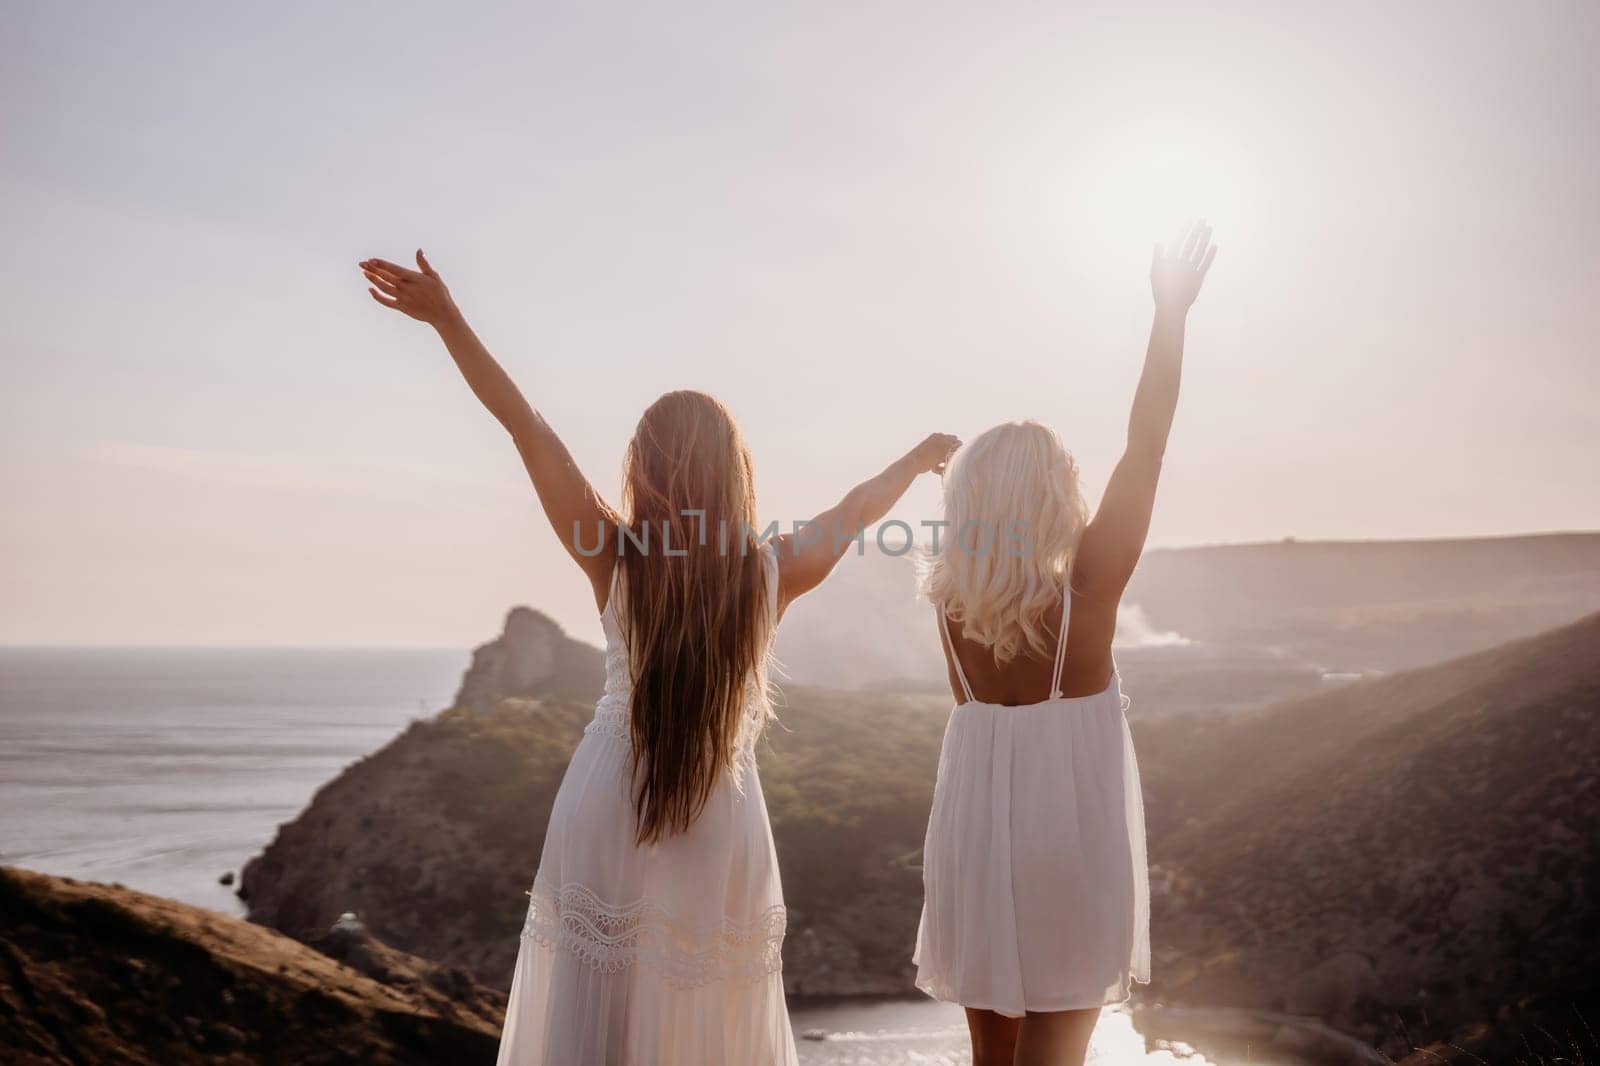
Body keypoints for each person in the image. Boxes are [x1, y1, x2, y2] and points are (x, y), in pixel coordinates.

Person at [359, 249, 959, 1066]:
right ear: (735, 472)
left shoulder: (609, 553)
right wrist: (919, 457)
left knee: (596, 1011)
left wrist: (450, 322)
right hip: (722, 808)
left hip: (609, 796)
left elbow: (527, 428)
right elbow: (856, 507)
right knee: (708, 1014)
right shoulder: (773, 569)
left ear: (640, 468)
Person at [913, 223, 1217, 1066]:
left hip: (974, 843)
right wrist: (1170, 315)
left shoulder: (949, 605)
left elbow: (984, 542)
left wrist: (969, 487)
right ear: (1058, 495)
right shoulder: (1088, 592)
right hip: (1067, 845)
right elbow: (1147, 446)